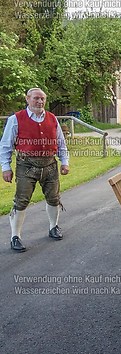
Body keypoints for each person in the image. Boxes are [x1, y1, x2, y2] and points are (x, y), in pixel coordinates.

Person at [0, 88, 70, 252]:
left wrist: (65, 162)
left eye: (42, 99)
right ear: (28, 99)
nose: (40, 102)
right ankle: (15, 236)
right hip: (26, 165)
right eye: (36, 98)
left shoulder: (52, 118)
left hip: (50, 164)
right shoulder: (15, 119)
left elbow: (61, 142)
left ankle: (54, 227)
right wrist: (5, 167)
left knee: (54, 198)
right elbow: (5, 145)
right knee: (21, 200)